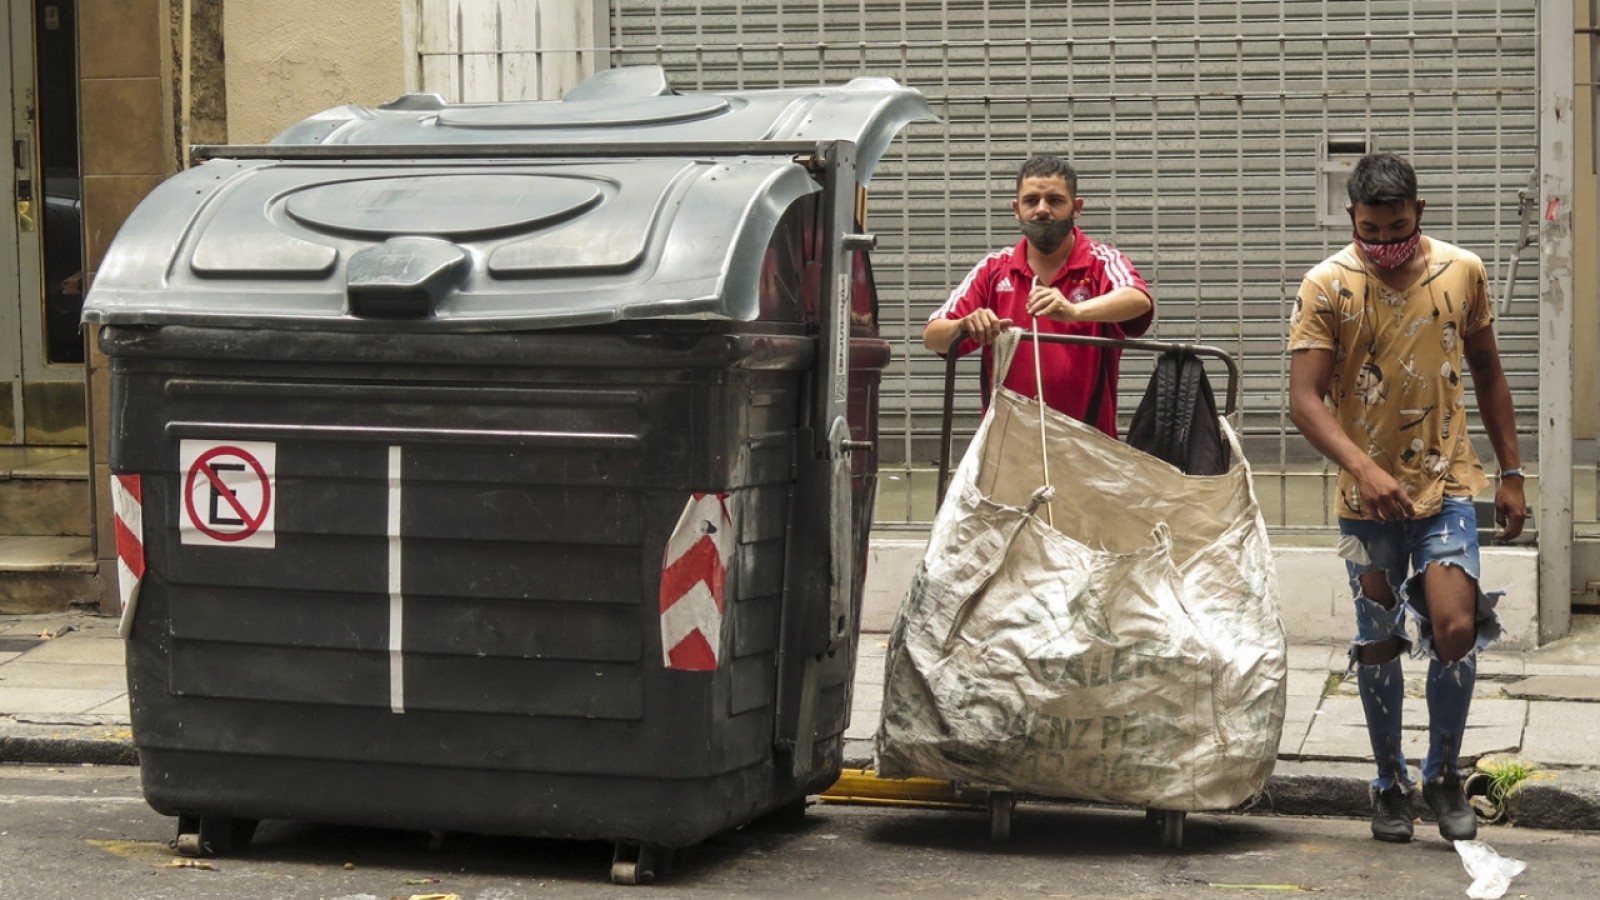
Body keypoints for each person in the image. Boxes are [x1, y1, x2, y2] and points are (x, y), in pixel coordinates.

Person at [1287, 152, 1527, 844]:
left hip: (1446, 485)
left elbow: (1488, 372)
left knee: (1455, 628)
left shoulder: (1462, 272)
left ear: (1419, 213)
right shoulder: (1327, 285)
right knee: (1380, 642)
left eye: (1396, 226)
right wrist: (1364, 469)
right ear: (1351, 219)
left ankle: (1443, 773)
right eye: (1370, 228)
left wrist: (1511, 474)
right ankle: (1389, 784)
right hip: (1366, 502)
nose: (1384, 242)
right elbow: (1305, 400)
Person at [923, 155, 1154, 437]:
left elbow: (1138, 298)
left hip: (1089, 447)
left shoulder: (1101, 261)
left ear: (1076, 207)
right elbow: (933, 336)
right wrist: (964, 325)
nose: (1042, 210)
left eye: (1055, 200)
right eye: (1031, 201)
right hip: (1007, 449)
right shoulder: (993, 269)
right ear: (1016, 209)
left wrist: (1073, 311)